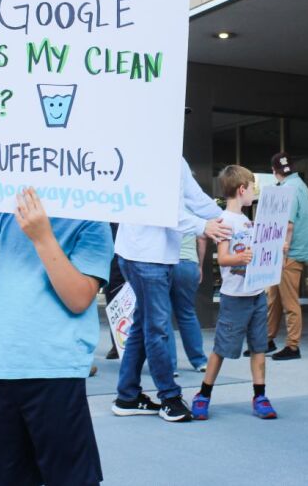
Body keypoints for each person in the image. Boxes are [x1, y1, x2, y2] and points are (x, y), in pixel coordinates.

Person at [0, 187, 112, 485]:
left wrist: (42, 237)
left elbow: (79, 298)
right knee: (5, 477)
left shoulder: (92, 217)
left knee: (69, 477)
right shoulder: (2, 211)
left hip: (55, 366)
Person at [112, 155, 230, 423]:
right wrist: (204, 225)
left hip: (159, 255)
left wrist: (228, 219)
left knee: (144, 325)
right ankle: (170, 398)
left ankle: (127, 396)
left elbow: (195, 197)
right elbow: (161, 210)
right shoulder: (146, 156)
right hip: (143, 256)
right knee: (157, 328)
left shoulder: (177, 159)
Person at [191, 165, 277, 420]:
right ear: (242, 190)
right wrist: (242, 256)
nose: (254, 193)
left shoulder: (248, 222)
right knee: (222, 348)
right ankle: (203, 394)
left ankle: (260, 395)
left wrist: (275, 248)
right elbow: (224, 258)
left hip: (256, 294)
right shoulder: (225, 221)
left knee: (259, 345)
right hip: (234, 297)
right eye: (252, 188)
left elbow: (257, 253)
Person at [265, 152, 308, 361]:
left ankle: (293, 346)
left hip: (288, 253)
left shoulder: (288, 189)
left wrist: (282, 249)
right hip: (293, 251)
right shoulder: (300, 185)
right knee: (274, 298)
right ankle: (267, 340)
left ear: (273, 171)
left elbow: (288, 223)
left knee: (288, 302)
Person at [169, 230, 209, 374]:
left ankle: (169, 365)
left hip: (165, 261)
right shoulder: (192, 208)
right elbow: (202, 239)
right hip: (189, 262)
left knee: (164, 316)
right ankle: (200, 361)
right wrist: (200, 266)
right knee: (187, 313)